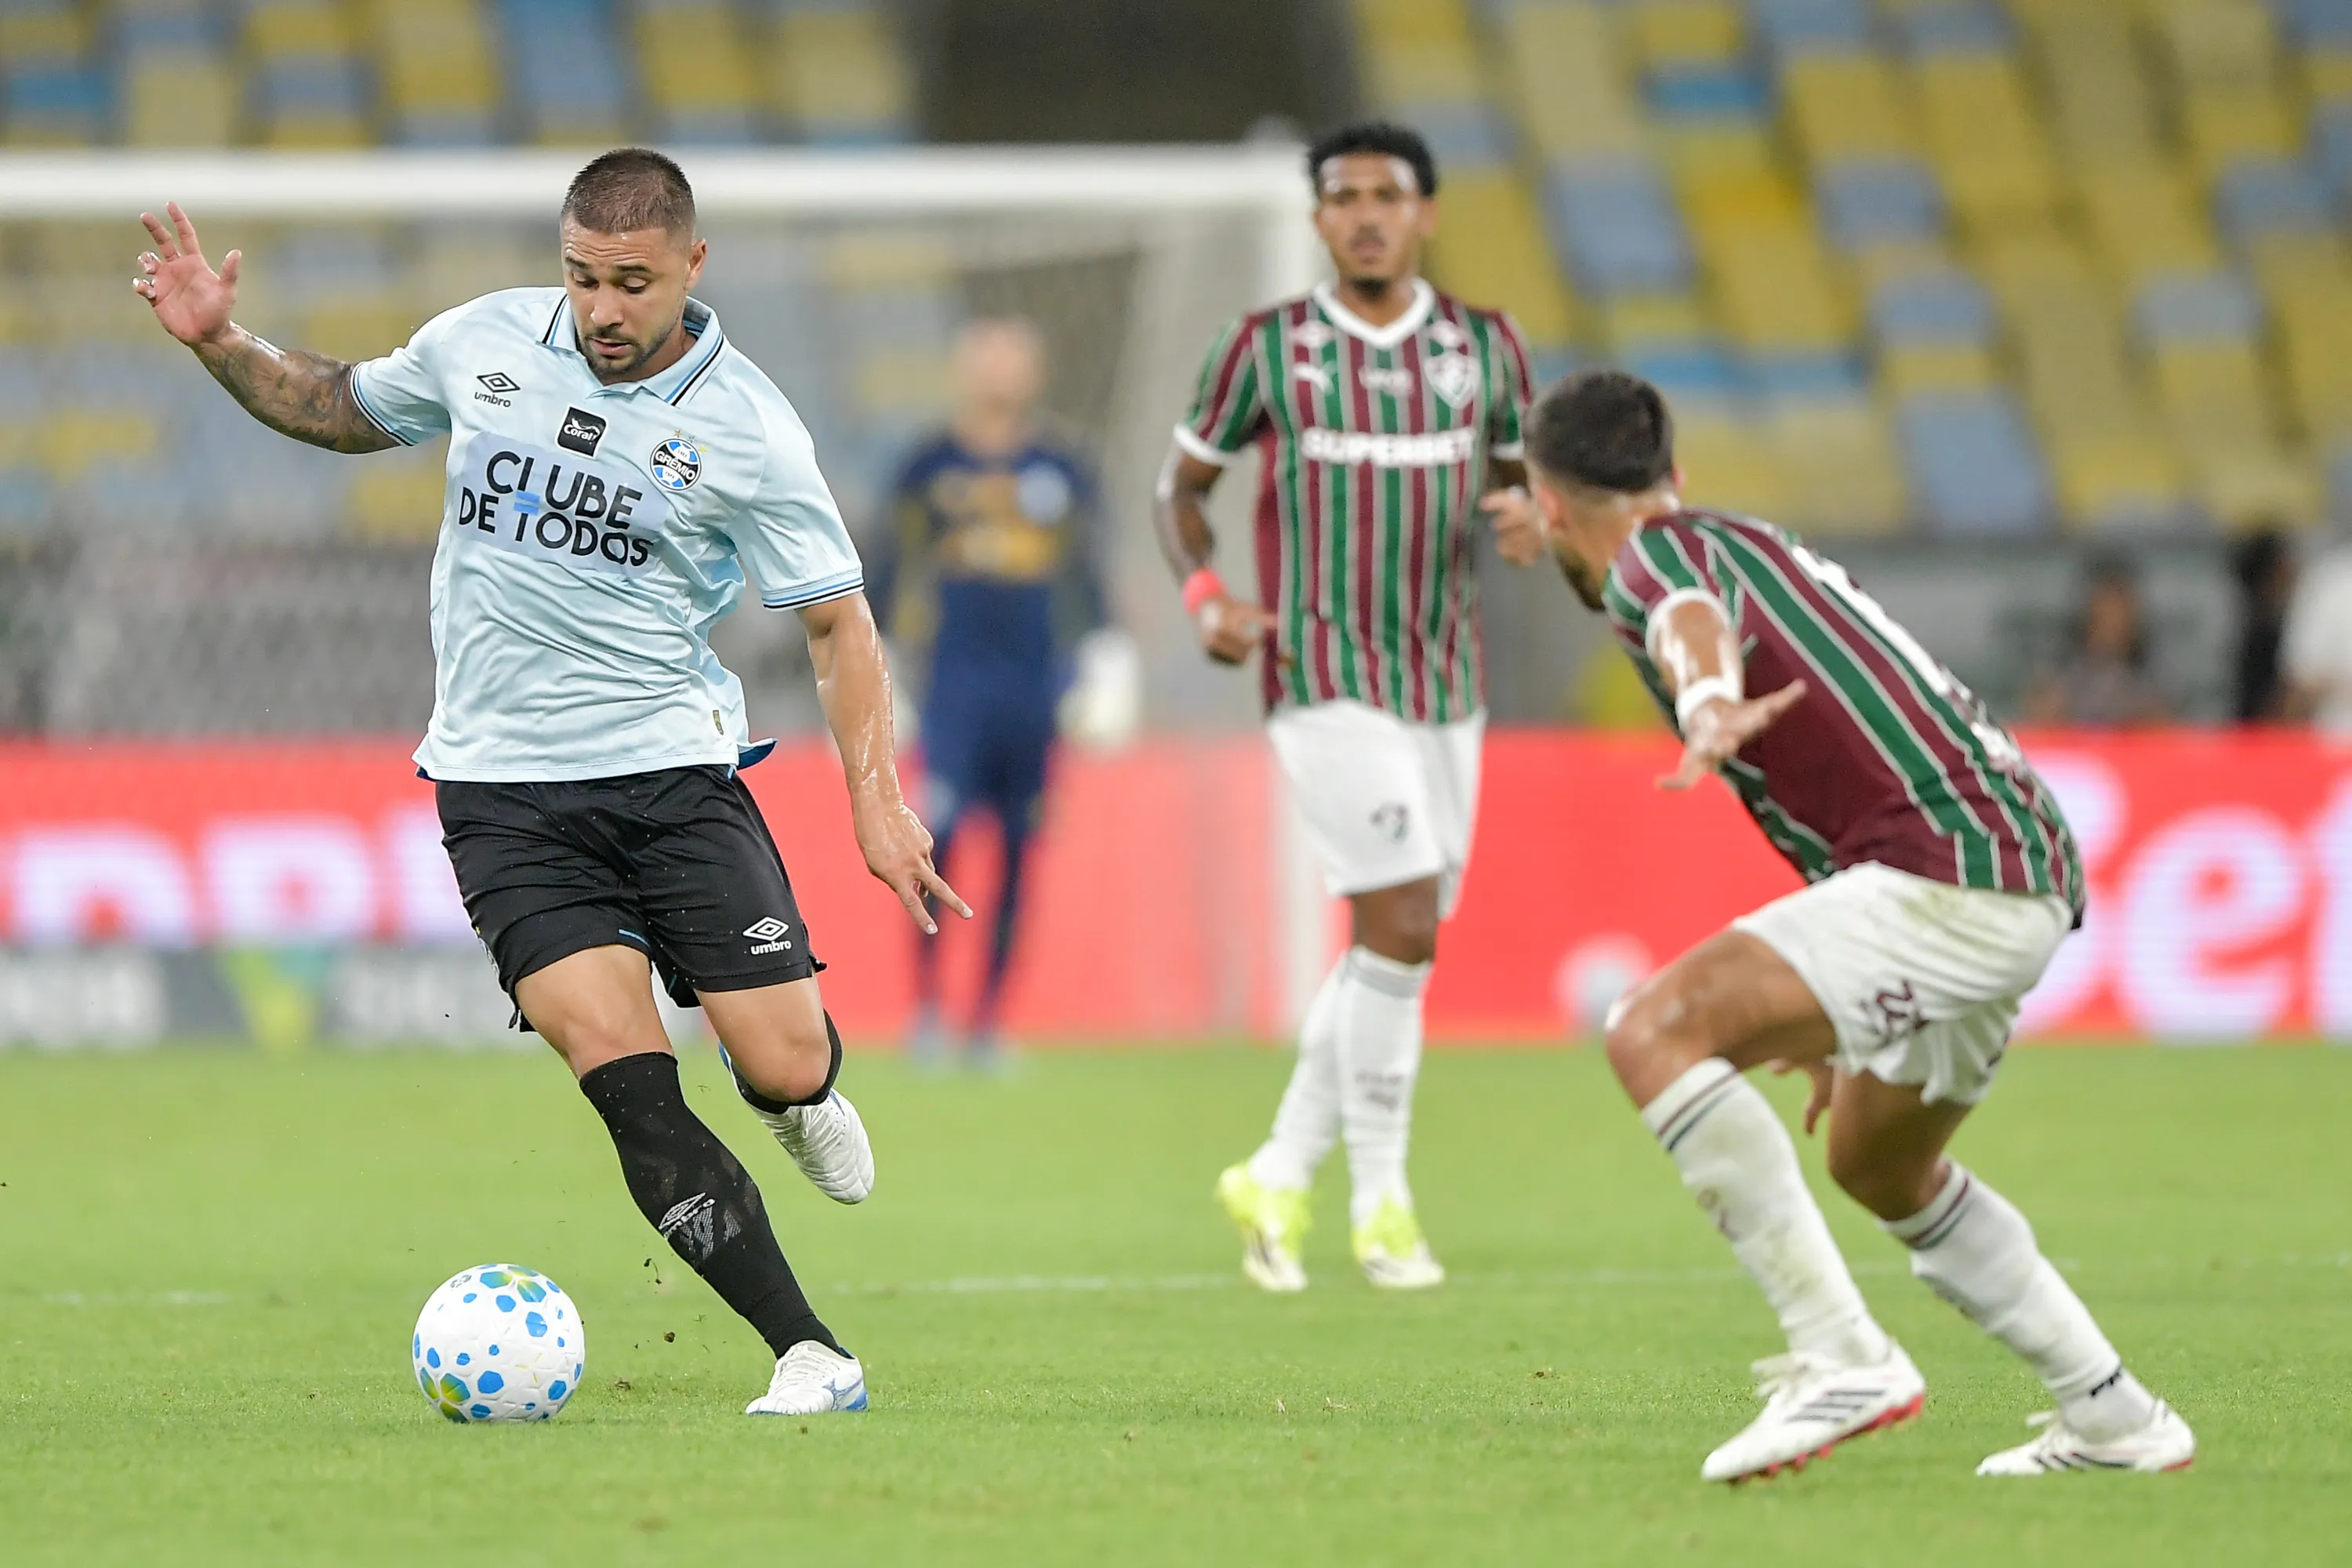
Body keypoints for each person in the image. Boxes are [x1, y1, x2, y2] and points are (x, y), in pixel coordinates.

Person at [132, 149, 967, 1418]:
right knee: (626, 1078)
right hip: (504, 795)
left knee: (782, 1059)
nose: (603, 309)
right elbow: (341, 403)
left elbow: (839, 625)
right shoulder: (485, 344)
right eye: (583, 277)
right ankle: (811, 1351)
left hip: (675, 777)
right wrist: (219, 344)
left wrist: (873, 795)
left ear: (693, 267)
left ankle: (797, 1101)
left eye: (632, 283)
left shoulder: (748, 425)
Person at [1498, 369, 2194, 1483]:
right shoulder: (1753, 541)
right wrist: (1842, 1012)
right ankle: (2117, 1417)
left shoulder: (1652, 556)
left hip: (1948, 870)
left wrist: (1706, 698)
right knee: (1879, 1162)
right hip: (2011, 861)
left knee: (1649, 1030)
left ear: (1551, 503)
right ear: (1672, 473)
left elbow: (1684, 622)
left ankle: (1838, 1358)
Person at [1156, 121, 1542, 1292]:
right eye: (1344, 196)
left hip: (1447, 680)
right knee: (1406, 926)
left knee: (1397, 944)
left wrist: (1535, 519)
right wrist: (1207, 592)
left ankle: (1278, 1168)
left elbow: (1523, 488)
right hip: (1320, 672)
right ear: (1318, 219)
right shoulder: (1266, 349)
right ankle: (1382, 1204)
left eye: (1388, 194)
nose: (1366, 214)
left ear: (1425, 212)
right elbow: (1184, 487)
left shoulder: (1487, 350)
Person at [869, 318, 1107, 1067]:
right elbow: (886, 564)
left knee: (1019, 849)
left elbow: (1088, 571)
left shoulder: (1064, 466)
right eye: (986, 359)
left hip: (1035, 688)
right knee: (936, 839)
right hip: (953, 684)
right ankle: (930, 1011)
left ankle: (991, 1020)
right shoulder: (928, 463)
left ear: (1035, 372)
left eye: (1013, 360)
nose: (999, 374)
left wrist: (1103, 658)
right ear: (964, 370)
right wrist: (878, 666)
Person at [2021, 556, 2169, 727]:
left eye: (2119, 614)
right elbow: (2034, 731)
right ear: (2088, 617)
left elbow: (2166, 739)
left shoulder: (2150, 688)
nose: (2111, 623)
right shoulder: (2058, 679)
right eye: (2104, 613)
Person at [2230, 526, 2299, 723]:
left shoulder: (2271, 625)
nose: (2293, 569)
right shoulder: (2260, 634)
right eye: (2285, 565)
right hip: (2258, 731)